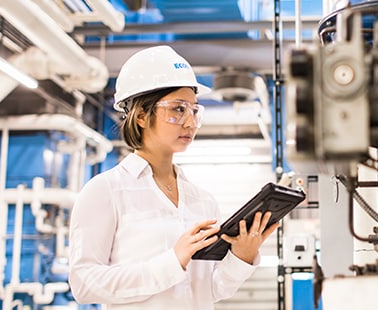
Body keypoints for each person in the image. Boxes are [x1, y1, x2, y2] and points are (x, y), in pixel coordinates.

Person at [68, 45, 280, 309]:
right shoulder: (105, 190)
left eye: (194, 110)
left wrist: (242, 256)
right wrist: (172, 262)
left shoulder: (201, 200)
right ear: (142, 115)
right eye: (178, 109)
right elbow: (84, 284)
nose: (190, 122)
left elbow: (211, 289)